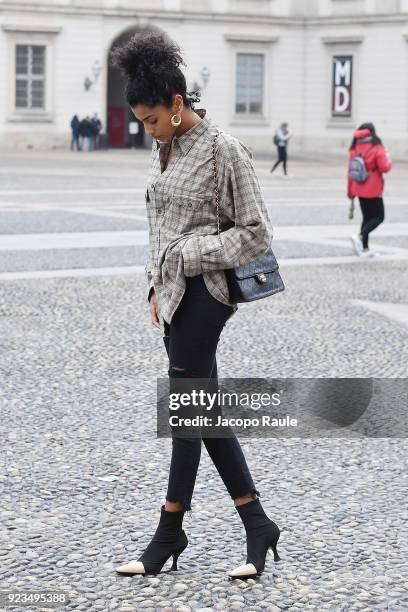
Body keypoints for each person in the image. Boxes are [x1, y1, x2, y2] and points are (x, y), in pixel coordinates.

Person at [111, 31, 281, 580]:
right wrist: (156, 285)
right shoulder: (163, 151)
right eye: (141, 120)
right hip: (175, 299)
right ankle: (257, 524)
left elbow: (256, 232)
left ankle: (168, 533)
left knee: (184, 410)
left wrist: (189, 257)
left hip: (208, 298)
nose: (149, 129)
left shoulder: (222, 150)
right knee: (203, 412)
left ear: (178, 103)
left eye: (154, 119)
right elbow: (158, 226)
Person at [348, 122, 392, 257]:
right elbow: (385, 168)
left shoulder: (354, 147)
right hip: (373, 189)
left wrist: (350, 192)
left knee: (367, 218)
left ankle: (364, 249)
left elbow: (350, 172)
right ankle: (360, 237)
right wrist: (388, 159)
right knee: (379, 217)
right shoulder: (376, 147)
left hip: (358, 188)